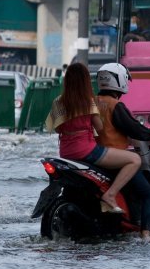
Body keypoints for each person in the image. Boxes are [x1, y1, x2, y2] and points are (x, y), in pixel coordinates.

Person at [46, 63, 141, 213]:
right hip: (86, 151)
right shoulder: (87, 101)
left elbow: (57, 129)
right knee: (134, 160)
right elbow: (99, 127)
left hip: (65, 153)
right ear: (85, 81)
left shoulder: (58, 101)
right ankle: (110, 195)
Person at [95, 63, 150, 240]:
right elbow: (135, 129)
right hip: (115, 159)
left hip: (96, 156)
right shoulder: (116, 106)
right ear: (119, 81)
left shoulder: (93, 101)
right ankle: (145, 234)